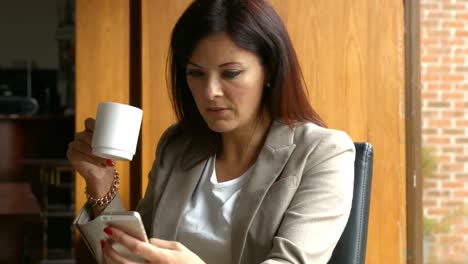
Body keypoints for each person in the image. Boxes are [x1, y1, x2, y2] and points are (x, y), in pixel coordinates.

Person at [68, 0, 356, 263]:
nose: (210, 92)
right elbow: (133, 253)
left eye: (230, 73)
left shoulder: (323, 153)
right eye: (196, 73)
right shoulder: (178, 145)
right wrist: (101, 183)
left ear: (269, 69)